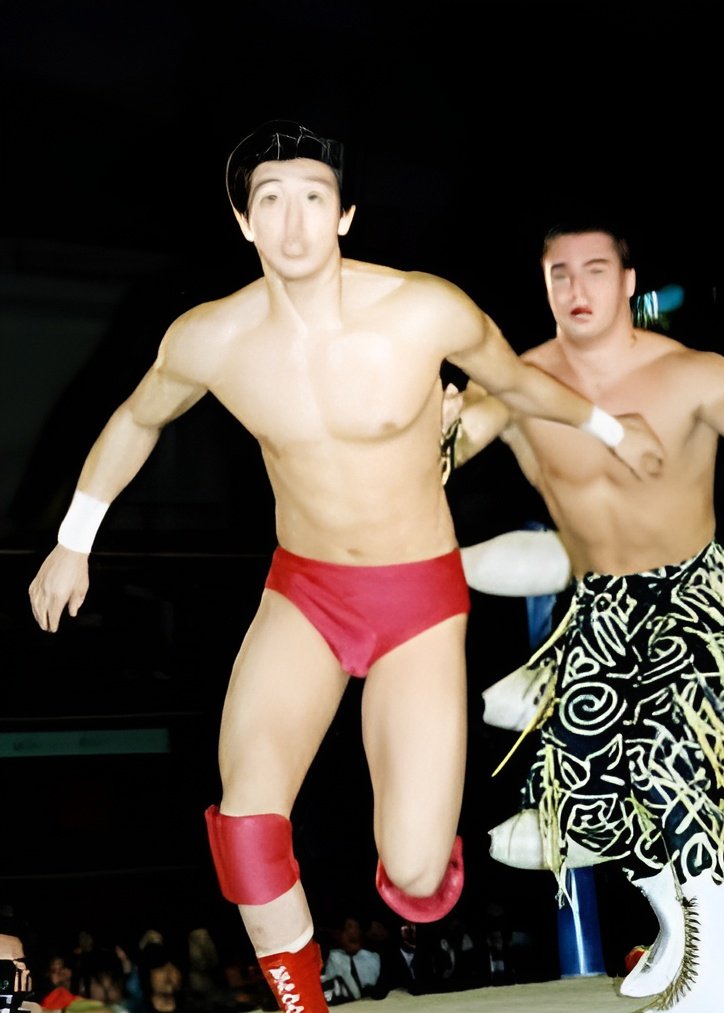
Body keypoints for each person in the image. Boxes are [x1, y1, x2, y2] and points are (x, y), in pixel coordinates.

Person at [24, 120, 660, 1013]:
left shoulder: (422, 310)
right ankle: (304, 1004)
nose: (293, 223)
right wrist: (74, 538)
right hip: (306, 591)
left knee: (414, 871)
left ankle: (421, 825)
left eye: (313, 199)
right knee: (246, 824)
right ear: (244, 220)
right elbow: (137, 417)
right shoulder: (214, 337)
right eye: (271, 200)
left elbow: (518, 383)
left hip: (418, 599)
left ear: (346, 214)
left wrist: (608, 429)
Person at [443, 222, 724, 1012]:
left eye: (593, 270)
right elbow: (447, 451)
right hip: (598, 605)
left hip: (694, 592)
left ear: (627, 281)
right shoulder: (517, 384)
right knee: (583, 792)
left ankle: (718, 975)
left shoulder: (690, 373)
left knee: (665, 752)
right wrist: (436, 432)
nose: (576, 289)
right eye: (559, 273)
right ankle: (677, 925)